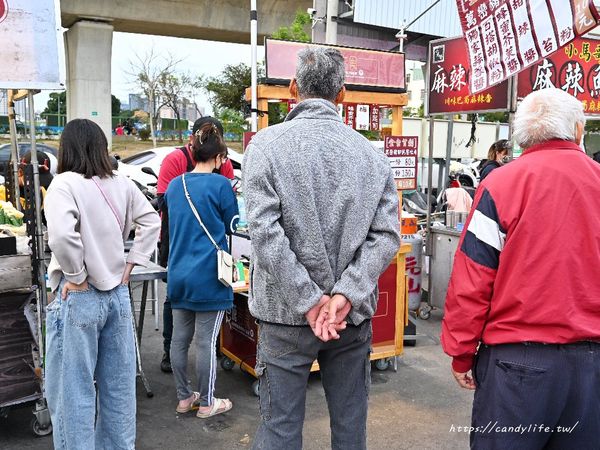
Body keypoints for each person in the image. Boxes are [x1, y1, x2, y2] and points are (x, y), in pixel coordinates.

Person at [243, 47, 401, 450]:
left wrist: (309, 300)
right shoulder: (372, 155)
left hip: (284, 316)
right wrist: (345, 293)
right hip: (350, 318)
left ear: (293, 89)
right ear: (342, 95)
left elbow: (264, 232)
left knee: (279, 429)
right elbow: (386, 236)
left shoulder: (265, 146)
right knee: (350, 429)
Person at [441, 88, 600, 449]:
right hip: (592, 364)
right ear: (578, 131)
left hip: (517, 366)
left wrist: (461, 352)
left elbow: (472, 279)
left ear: (523, 136)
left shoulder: (501, 184)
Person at [44, 119, 161, 449]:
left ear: (67, 148)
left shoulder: (63, 184)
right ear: (100, 147)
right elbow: (151, 220)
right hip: (117, 294)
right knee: (119, 390)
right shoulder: (121, 183)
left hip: (81, 296)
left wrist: (76, 276)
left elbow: (62, 237)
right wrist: (131, 262)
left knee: (73, 393)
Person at [164, 122, 239, 418]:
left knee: (179, 340)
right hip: (209, 274)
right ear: (220, 157)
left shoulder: (174, 185)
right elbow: (233, 224)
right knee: (206, 342)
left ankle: (185, 398)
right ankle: (207, 402)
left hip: (178, 272)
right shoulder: (221, 185)